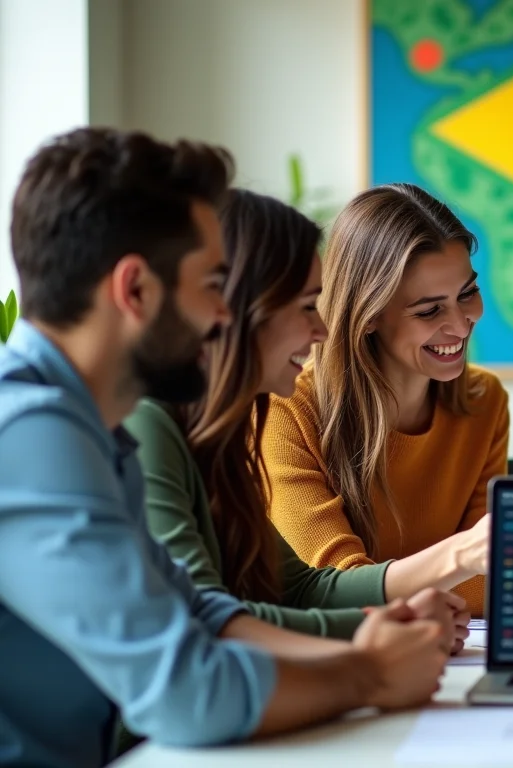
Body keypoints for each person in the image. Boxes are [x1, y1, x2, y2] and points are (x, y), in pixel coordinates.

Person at [0, 128, 453, 768]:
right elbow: (186, 692)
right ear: (135, 290)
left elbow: (199, 610)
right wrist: (371, 675)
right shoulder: (30, 434)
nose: (223, 315)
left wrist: (374, 642)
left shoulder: (97, 431)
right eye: (213, 284)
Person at [125, 189, 470, 643]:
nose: (323, 329)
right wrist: (375, 629)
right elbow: (200, 616)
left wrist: (399, 617)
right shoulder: (148, 425)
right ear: (238, 309)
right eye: (308, 306)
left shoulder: (219, 438)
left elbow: (303, 589)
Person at [263, 183, 509, 618]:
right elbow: (330, 590)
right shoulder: (285, 409)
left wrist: (408, 589)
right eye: (429, 310)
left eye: (467, 294)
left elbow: (493, 579)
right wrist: (458, 564)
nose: (460, 325)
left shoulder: (484, 401)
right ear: (369, 315)